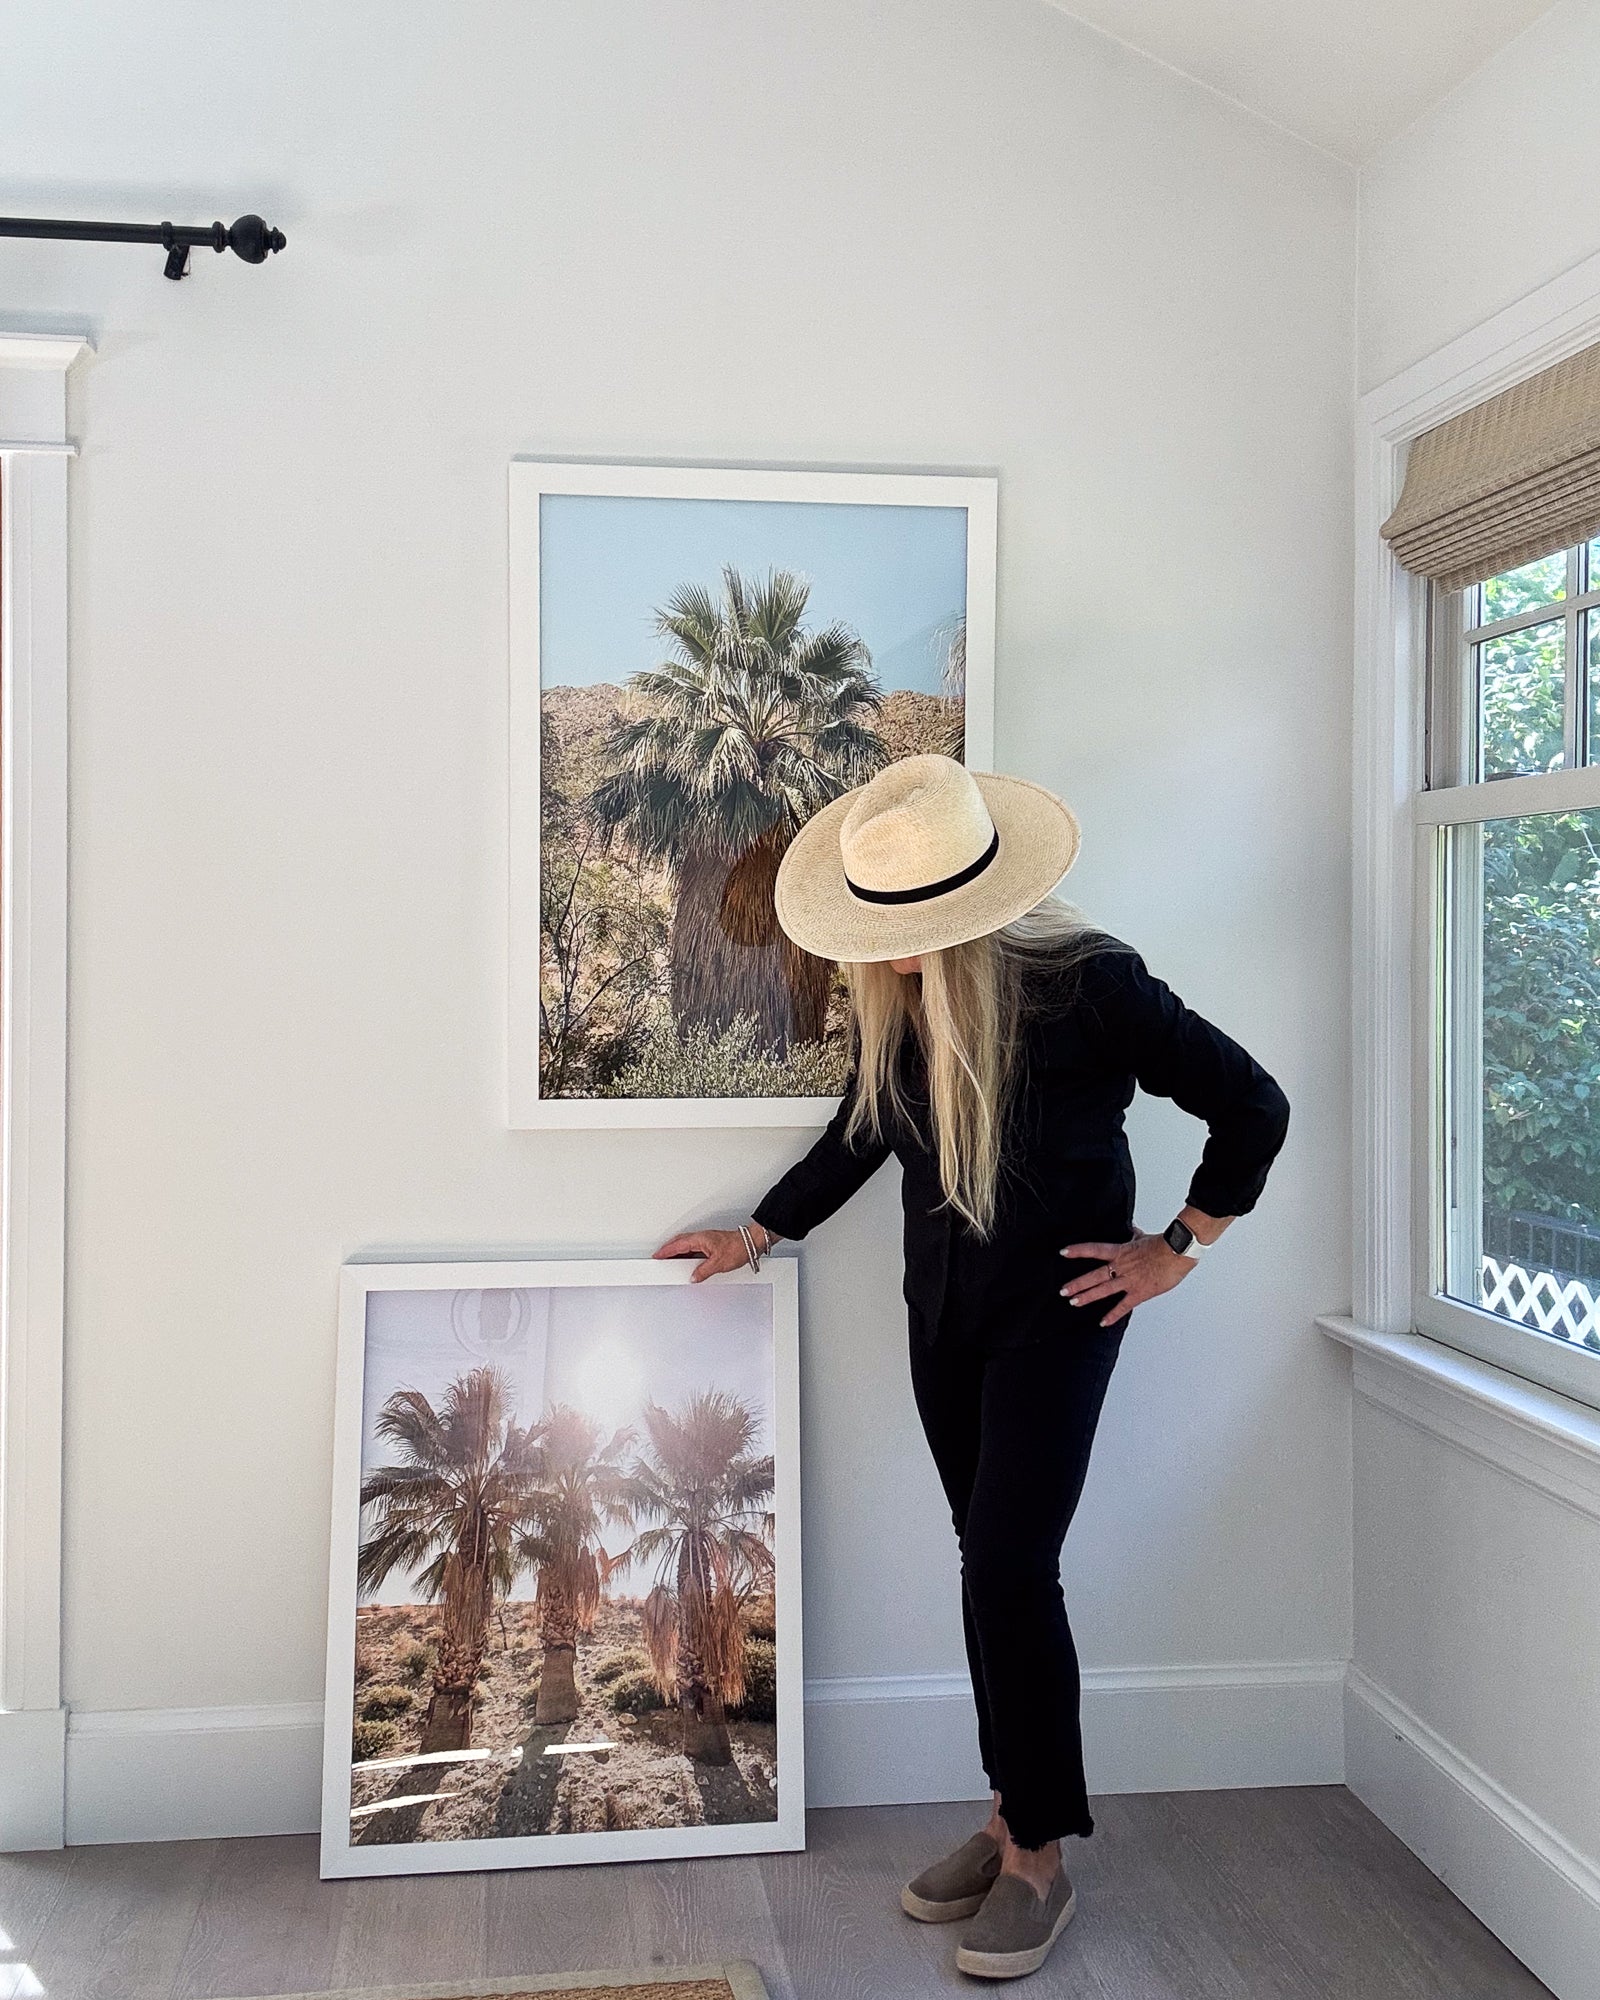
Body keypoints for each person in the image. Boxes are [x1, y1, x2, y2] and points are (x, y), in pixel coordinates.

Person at [656, 754, 1289, 1982]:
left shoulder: (1091, 985)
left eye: (908, 930)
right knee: (985, 1566)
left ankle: (1040, 1858)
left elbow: (1251, 1104)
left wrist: (1176, 1249)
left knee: (1010, 1567)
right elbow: (858, 1133)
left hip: (1060, 1315)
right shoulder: (897, 1004)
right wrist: (756, 1232)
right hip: (941, 1314)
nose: (886, 953)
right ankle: (1011, 1812)